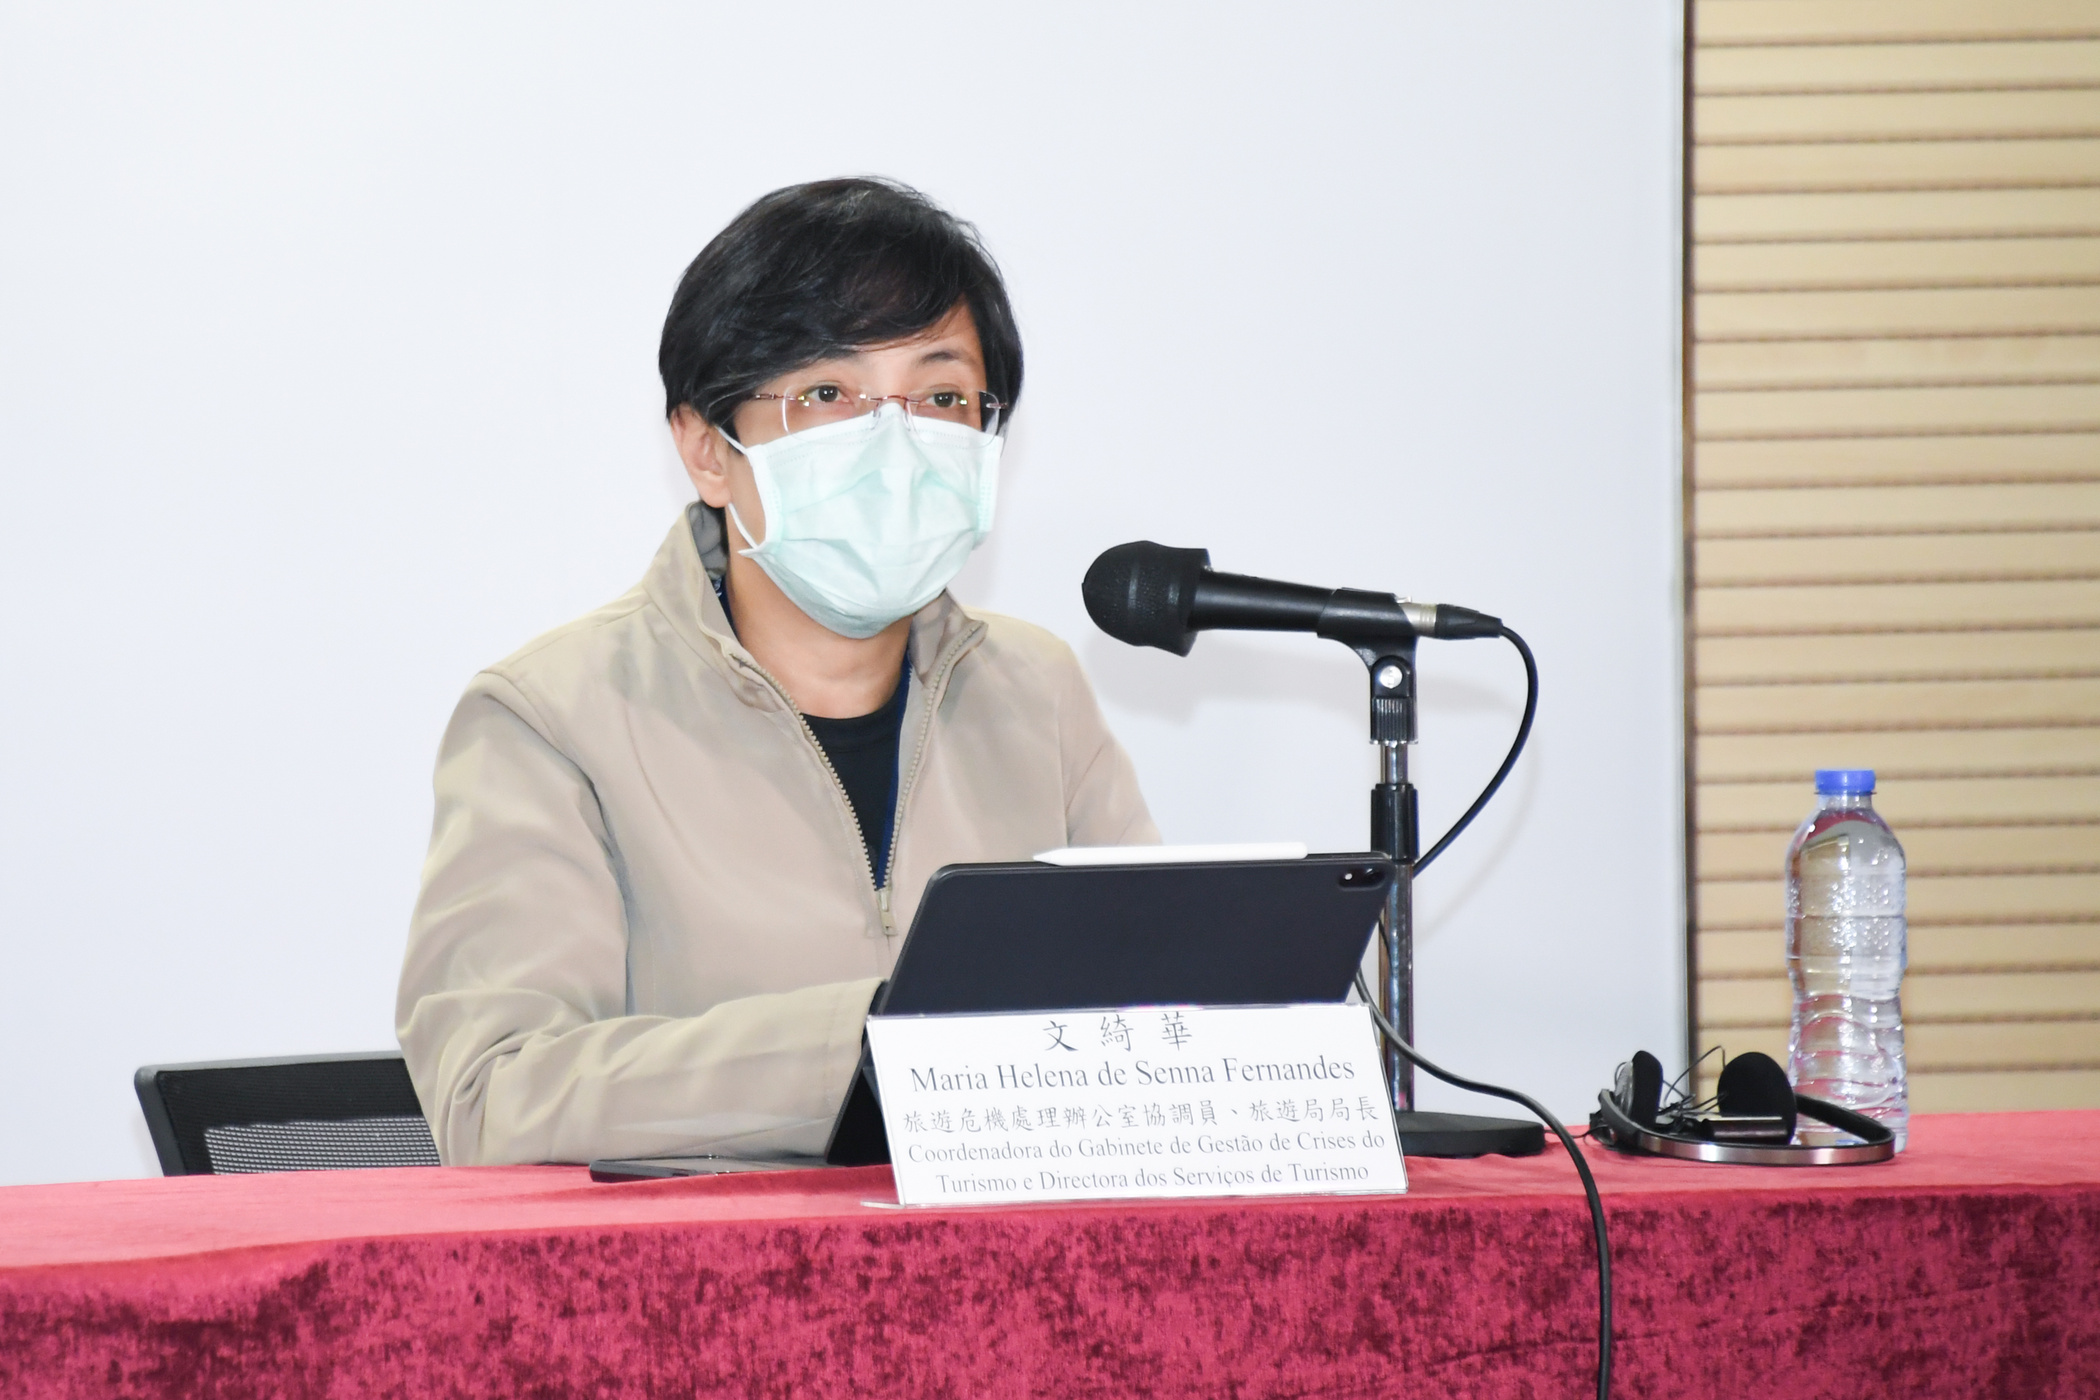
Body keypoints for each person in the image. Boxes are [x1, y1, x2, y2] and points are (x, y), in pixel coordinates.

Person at [396, 178, 1158, 1166]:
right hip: (710, 1264)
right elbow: (495, 1093)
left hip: (1009, 1256)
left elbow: (1170, 1002)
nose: (895, 444)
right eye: (827, 395)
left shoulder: (1036, 689)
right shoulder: (552, 716)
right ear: (707, 451)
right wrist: (870, 1044)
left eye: (940, 398)